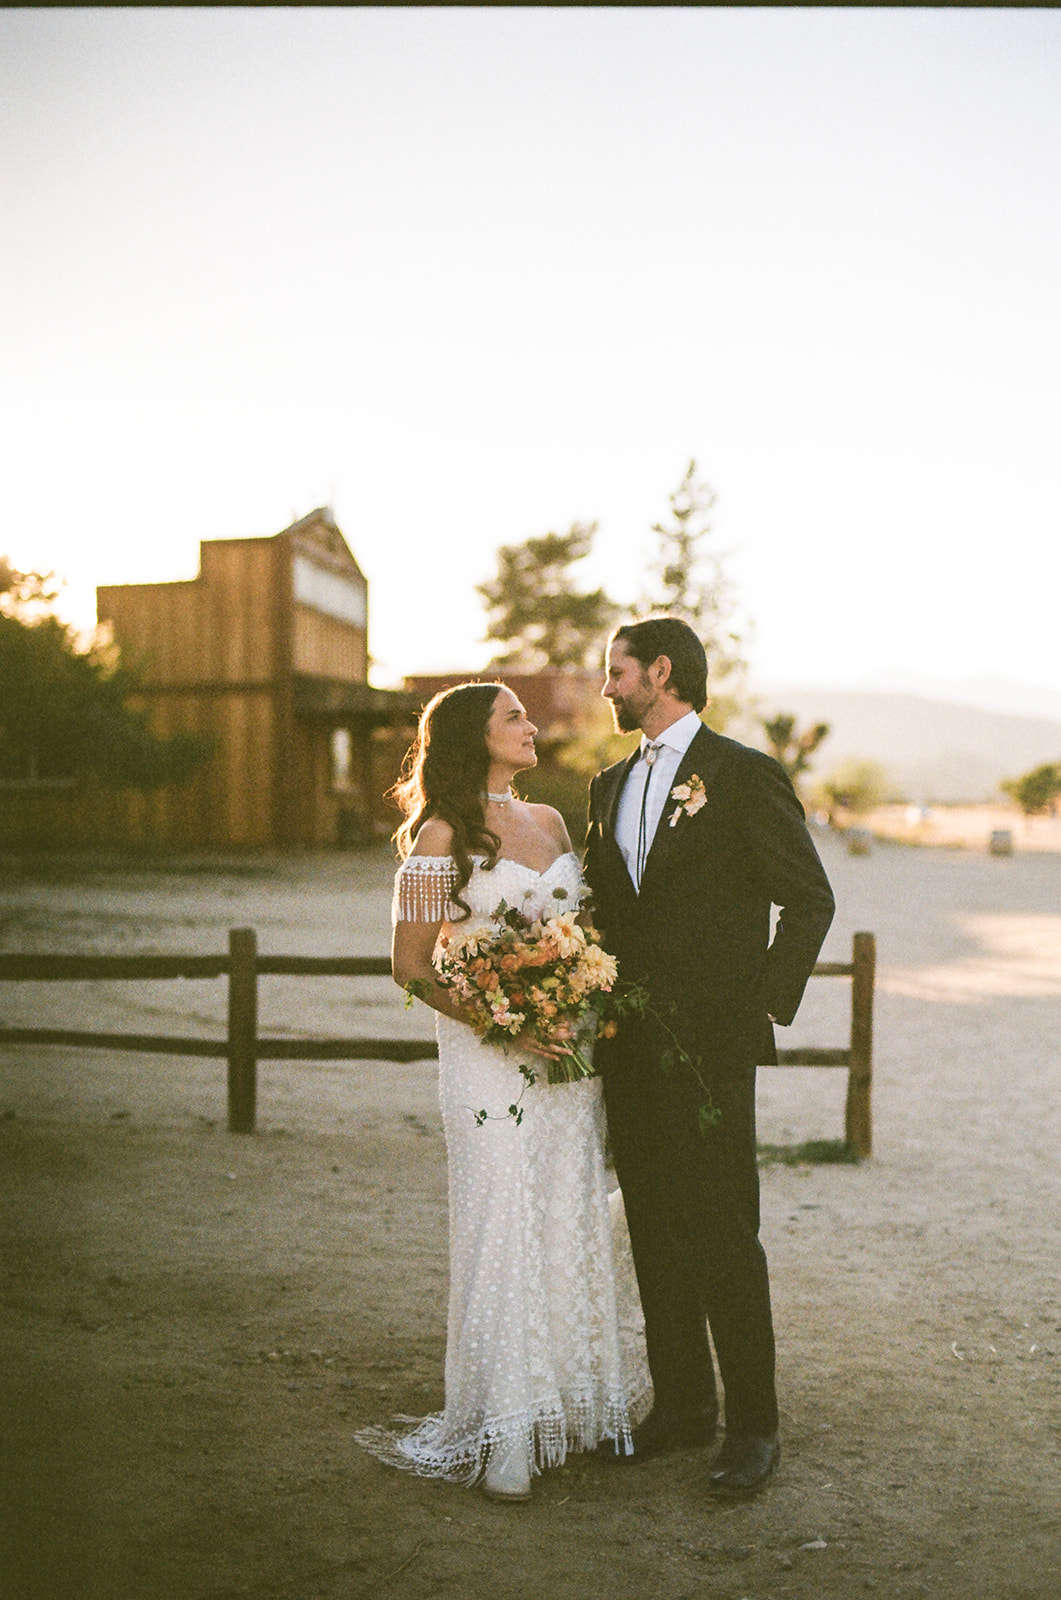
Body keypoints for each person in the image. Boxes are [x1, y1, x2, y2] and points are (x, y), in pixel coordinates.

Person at [356, 682, 636, 1502]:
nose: (532, 727)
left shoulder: (550, 822)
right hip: (487, 1056)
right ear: (471, 737)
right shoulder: (439, 835)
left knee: (563, 1209)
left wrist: (572, 990)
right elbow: (408, 967)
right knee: (503, 1216)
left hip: (565, 1054)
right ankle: (506, 1430)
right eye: (514, 717)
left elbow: (577, 930)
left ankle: (573, 1412)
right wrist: (500, 1020)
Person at [584, 618, 835, 1498]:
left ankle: (753, 1427)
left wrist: (753, 1007)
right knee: (651, 1225)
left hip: (711, 1052)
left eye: (615, 673)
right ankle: (682, 1406)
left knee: (724, 1233)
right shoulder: (606, 785)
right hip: (629, 1045)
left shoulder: (741, 774)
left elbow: (809, 900)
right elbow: (605, 909)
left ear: (660, 672)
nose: (606, 689)